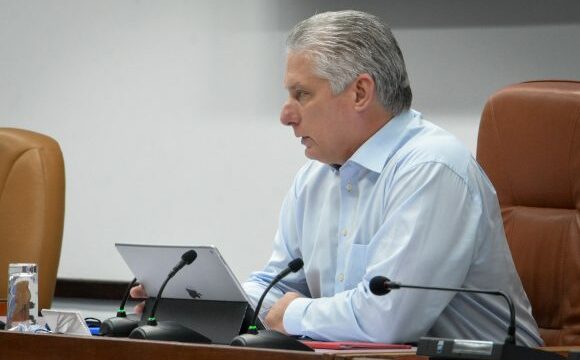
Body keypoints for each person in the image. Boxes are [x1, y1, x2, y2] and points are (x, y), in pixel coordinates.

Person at [240, 10, 543, 346]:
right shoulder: (314, 178)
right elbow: (277, 287)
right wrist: (207, 301)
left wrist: (294, 314)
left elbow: (385, 320)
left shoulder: (432, 168)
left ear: (359, 93)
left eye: (302, 94)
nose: (286, 115)